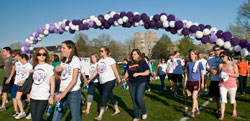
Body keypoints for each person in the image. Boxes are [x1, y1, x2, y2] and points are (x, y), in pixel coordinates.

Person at [88, 46, 121, 121]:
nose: (100, 52)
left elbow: (115, 71)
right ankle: (117, 109)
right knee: (110, 95)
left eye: (102, 51)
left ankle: (100, 116)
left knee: (104, 96)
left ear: (106, 52)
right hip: (102, 81)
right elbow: (96, 71)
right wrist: (89, 79)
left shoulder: (110, 60)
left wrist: (119, 80)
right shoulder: (99, 61)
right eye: (100, 51)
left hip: (110, 80)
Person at [53, 40, 82, 121]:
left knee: (76, 118)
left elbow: (74, 80)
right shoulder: (64, 61)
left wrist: (63, 93)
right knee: (56, 117)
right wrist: (55, 70)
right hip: (62, 91)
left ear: (70, 49)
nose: (61, 49)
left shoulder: (75, 60)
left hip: (73, 93)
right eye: (61, 48)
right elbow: (60, 77)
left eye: (63, 48)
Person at [122, 49, 149, 121]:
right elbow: (127, 72)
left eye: (135, 54)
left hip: (141, 82)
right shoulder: (129, 63)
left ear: (138, 55)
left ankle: (144, 111)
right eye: (132, 54)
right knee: (134, 100)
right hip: (131, 83)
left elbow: (147, 72)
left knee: (139, 98)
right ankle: (137, 117)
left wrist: (138, 74)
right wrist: (124, 78)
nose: (133, 56)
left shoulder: (142, 62)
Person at [30, 48, 55, 121]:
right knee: (34, 119)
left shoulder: (49, 67)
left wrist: (52, 96)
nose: (41, 56)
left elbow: (52, 82)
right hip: (33, 95)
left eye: (44, 54)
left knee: (38, 119)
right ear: (36, 56)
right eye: (39, 54)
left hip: (43, 96)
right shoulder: (35, 67)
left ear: (46, 56)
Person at [218, 51, 238, 120]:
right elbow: (219, 74)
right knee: (222, 99)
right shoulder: (221, 65)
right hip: (222, 84)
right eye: (221, 57)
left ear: (227, 56)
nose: (222, 58)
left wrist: (228, 74)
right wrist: (221, 76)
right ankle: (222, 115)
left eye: (223, 56)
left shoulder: (233, 64)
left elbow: (237, 75)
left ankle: (234, 110)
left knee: (232, 100)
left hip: (232, 85)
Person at [184, 50, 204, 117]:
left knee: (193, 97)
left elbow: (202, 74)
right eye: (190, 54)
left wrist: (202, 82)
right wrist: (185, 82)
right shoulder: (188, 63)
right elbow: (187, 74)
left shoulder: (199, 63)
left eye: (192, 54)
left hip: (196, 81)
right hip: (190, 81)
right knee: (194, 98)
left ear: (195, 55)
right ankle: (197, 109)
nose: (191, 55)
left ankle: (192, 112)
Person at [15, 53, 33, 119]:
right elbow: (21, 75)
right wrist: (18, 81)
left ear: (24, 58)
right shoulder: (22, 65)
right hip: (21, 85)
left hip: (27, 85)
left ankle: (31, 113)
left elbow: (30, 76)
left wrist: (23, 81)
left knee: (29, 99)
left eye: (20, 59)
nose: (19, 60)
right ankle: (22, 112)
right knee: (17, 97)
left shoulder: (29, 66)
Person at [207, 45, 222, 114]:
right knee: (216, 96)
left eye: (218, 50)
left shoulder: (223, 57)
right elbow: (207, 67)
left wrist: (218, 71)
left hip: (222, 79)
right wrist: (211, 70)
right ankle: (219, 107)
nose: (216, 51)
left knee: (221, 95)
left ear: (220, 50)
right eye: (215, 50)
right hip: (214, 79)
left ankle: (221, 108)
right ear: (213, 51)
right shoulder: (210, 58)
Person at [0, 47, 15, 111]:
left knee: (14, 92)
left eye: (4, 51)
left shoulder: (12, 58)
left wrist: (10, 78)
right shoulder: (6, 59)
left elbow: (14, 69)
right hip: (6, 77)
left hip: (10, 78)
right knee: (4, 91)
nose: (3, 52)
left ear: (8, 51)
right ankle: (3, 106)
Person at [10, 50, 22, 117]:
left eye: (14, 56)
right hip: (15, 82)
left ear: (18, 55)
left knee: (19, 98)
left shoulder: (23, 62)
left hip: (21, 83)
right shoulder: (16, 63)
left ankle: (22, 111)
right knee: (13, 96)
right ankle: (16, 111)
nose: (13, 58)